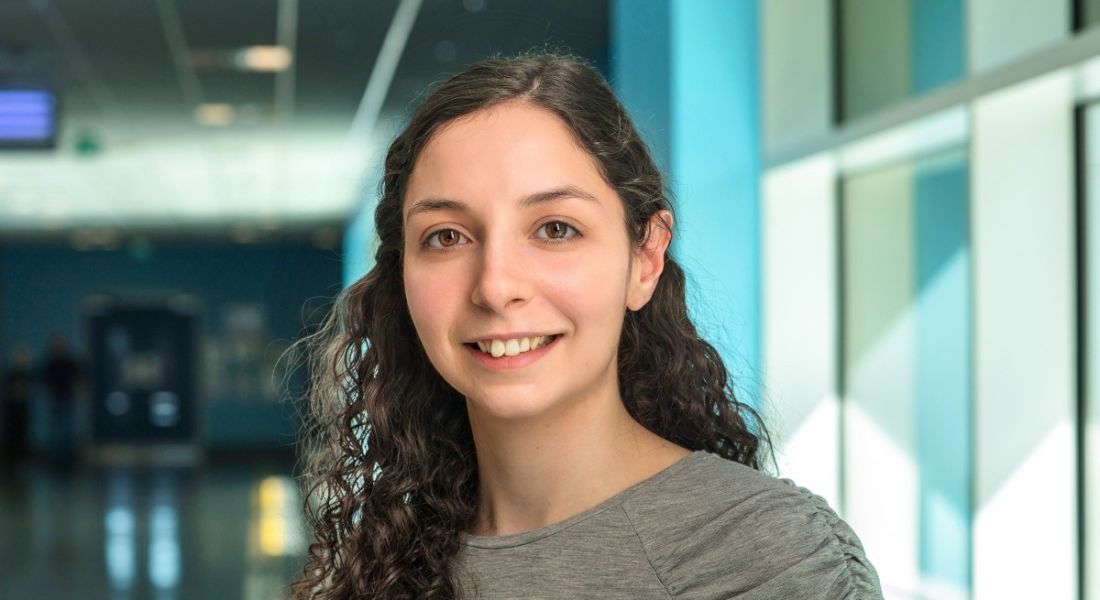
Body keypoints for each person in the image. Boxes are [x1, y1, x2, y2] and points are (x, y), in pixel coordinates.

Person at [290, 53, 883, 599]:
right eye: (447, 237)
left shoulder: (766, 557)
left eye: (555, 229)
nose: (496, 287)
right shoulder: (383, 556)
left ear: (645, 259)